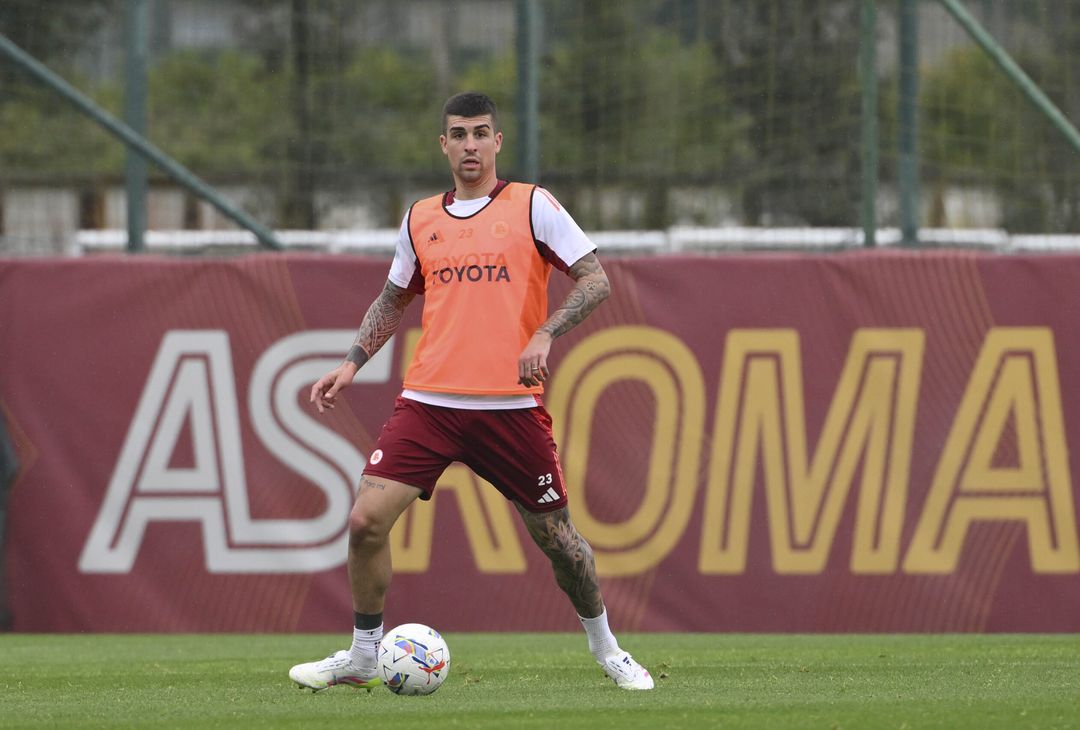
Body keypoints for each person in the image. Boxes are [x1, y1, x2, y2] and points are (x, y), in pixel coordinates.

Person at [288, 91, 653, 692]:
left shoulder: (533, 206)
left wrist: (545, 331)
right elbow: (393, 298)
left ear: (497, 141)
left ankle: (607, 647)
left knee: (559, 541)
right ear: (444, 145)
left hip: (510, 409)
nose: (470, 145)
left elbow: (597, 278)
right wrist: (352, 361)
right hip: (430, 404)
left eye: (481, 133)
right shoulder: (421, 218)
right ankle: (361, 656)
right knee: (364, 522)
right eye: (458, 135)